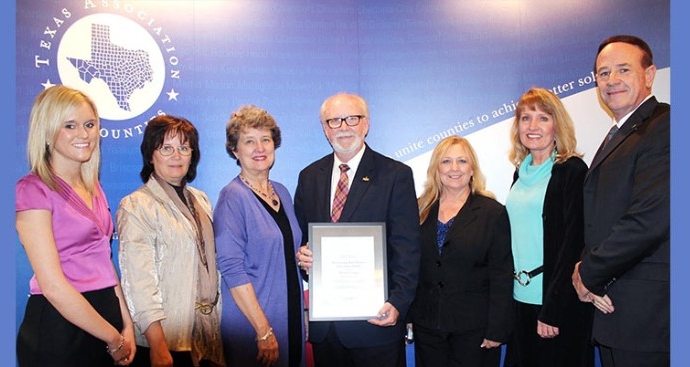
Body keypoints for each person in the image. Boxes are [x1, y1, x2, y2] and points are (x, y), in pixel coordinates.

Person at [294, 92, 421, 367]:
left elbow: (407, 248)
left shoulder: (395, 175)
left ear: (366, 124)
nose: (344, 127)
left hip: (377, 322)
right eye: (334, 121)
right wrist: (305, 257)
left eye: (352, 118)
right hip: (328, 328)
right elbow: (307, 238)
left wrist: (398, 303)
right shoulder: (309, 177)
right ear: (325, 129)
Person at [15, 85, 136, 366]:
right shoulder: (32, 190)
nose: (84, 134)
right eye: (70, 125)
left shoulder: (93, 187)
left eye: (90, 124)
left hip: (105, 320)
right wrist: (113, 338)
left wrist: (126, 324)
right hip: (61, 328)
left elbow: (103, 263)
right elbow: (54, 287)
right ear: (47, 132)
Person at [571, 35, 669, 367]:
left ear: (650, 74)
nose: (611, 80)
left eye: (623, 69)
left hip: (648, 315)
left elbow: (650, 219)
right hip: (617, 309)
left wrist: (588, 273)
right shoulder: (620, 133)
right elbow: (599, 219)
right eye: (603, 73)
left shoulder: (665, 127)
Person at [116, 115, 225, 367]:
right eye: (166, 148)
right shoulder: (136, 205)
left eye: (184, 148)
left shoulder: (201, 199)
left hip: (204, 336)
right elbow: (139, 281)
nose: (177, 155)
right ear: (150, 155)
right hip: (164, 341)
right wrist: (158, 343)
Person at [503, 88, 593, 367]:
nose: (532, 126)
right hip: (520, 299)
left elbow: (573, 244)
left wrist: (553, 309)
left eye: (543, 118)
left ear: (557, 125)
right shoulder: (521, 171)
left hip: (556, 306)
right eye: (525, 118)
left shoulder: (572, 170)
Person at [409, 135, 513, 367]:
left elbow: (502, 275)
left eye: (462, 161)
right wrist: (409, 315)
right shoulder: (419, 209)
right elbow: (410, 265)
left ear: (472, 168)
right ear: (436, 168)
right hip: (428, 326)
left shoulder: (492, 213)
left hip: (475, 330)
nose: (454, 168)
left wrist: (496, 329)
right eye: (446, 161)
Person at [214, 105, 305, 367]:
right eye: (249, 141)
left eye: (266, 139)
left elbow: (287, 255)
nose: (260, 148)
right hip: (254, 326)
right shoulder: (232, 197)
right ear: (235, 150)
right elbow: (232, 268)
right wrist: (262, 329)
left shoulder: (283, 193)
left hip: (289, 317)